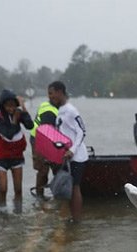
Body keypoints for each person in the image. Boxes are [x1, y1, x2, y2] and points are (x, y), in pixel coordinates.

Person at [0, 89, 34, 212]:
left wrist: (23, 108)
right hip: (1, 157)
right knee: (3, 188)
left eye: (13, 106)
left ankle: (18, 212)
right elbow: (9, 134)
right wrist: (15, 121)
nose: (11, 109)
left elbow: (30, 125)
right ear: (2, 106)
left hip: (16, 156)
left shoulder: (18, 113)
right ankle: (2, 212)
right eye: (8, 106)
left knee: (18, 189)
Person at [48, 81, 88, 222]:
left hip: (77, 157)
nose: (50, 97)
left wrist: (72, 150)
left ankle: (76, 220)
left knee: (75, 187)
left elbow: (82, 131)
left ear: (59, 92)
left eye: (51, 94)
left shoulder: (71, 110)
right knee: (67, 187)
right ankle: (69, 218)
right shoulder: (60, 110)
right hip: (66, 157)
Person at [29, 84, 60, 199]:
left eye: (53, 93)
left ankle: (55, 192)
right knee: (43, 168)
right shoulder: (48, 110)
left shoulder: (60, 107)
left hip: (48, 138)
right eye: (50, 94)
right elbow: (47, 132)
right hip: (39, 139)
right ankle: (40, 196)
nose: (51, 96)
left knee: (56, 167)